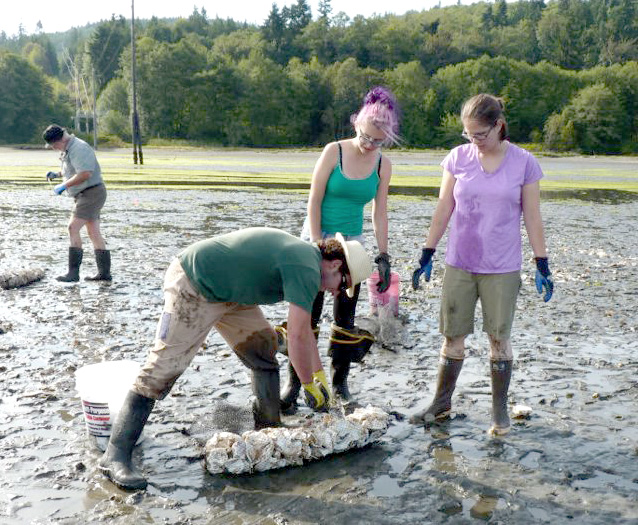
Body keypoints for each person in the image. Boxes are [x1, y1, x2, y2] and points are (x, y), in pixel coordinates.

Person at [98, 226, 372, 490]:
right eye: (343, 285)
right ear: (335, 265)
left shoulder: (307, 261)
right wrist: (309, 385)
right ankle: (115, 454)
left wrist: (319, 377)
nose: (337, 293)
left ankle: (269, 432)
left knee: (262, 351)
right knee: (163, 369)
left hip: (232, 294)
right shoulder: (307, 267)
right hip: (195, 284)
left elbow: (306, 337)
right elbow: (299, 335)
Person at [410, 93, 554, 436]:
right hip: (460, 262)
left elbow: (533, 218)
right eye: (468, 135)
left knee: (498, 340)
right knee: (452, 336)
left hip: (502, 266)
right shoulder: (457, 159)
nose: (475, 142)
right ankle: (441, 404)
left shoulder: (524, 163)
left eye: (480, 135)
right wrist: (427, 253)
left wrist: (542, 263)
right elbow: (444, 208)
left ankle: (499, 413)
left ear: (498, 126)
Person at [278, 86, 401, 412]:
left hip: (352, 248)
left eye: (377, 141)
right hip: (315, 240)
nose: (369, 144)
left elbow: (379, 211)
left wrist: (383, 256)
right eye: (365, 136)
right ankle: (294, 384)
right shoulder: (335, 151)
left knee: (345, 316)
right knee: (307, 316)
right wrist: (318, 247)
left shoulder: (382, 165)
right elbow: (314, 200)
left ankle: (340, 383)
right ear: (356, 125)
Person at [43, 124, 111, 282]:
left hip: (91, 193)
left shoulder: (79, 148)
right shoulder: (68, 148)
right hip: (86, 193)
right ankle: (104, 274)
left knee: (72, 227)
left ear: (59, 140)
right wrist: (58, 174)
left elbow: (85, 173)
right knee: (93, 233)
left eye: (53, 146)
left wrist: (63, 185)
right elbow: (72, 169)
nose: (54, 149)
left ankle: (73, 274)